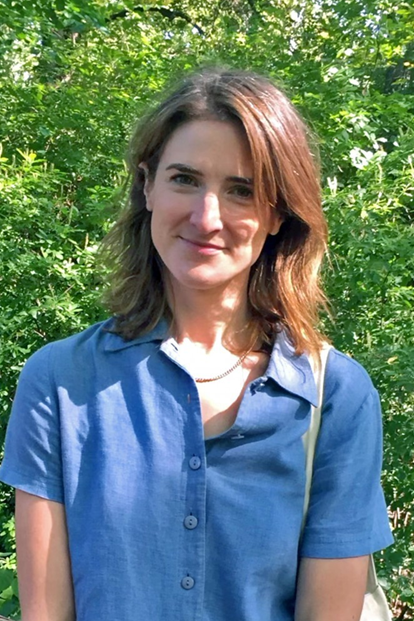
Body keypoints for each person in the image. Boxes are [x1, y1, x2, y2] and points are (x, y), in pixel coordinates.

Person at [0, 67, 393, 621]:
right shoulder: (61, 383)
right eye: (184, 179)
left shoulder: (336, 397)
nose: (207, 217)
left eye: (242, 190)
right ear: (147, 186)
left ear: (277, 214)